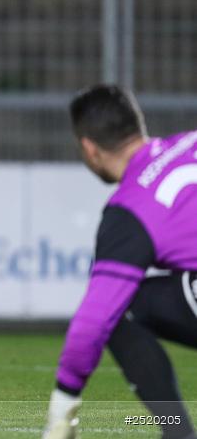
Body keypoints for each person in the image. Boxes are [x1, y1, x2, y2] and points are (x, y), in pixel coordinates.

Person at [42, 85, 197, 439]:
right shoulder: (191, 141)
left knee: (120, 309)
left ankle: (179, 433)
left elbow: (93, 320)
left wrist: (62, 409)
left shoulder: (129, 211)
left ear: (89, 148)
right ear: (138, 124)